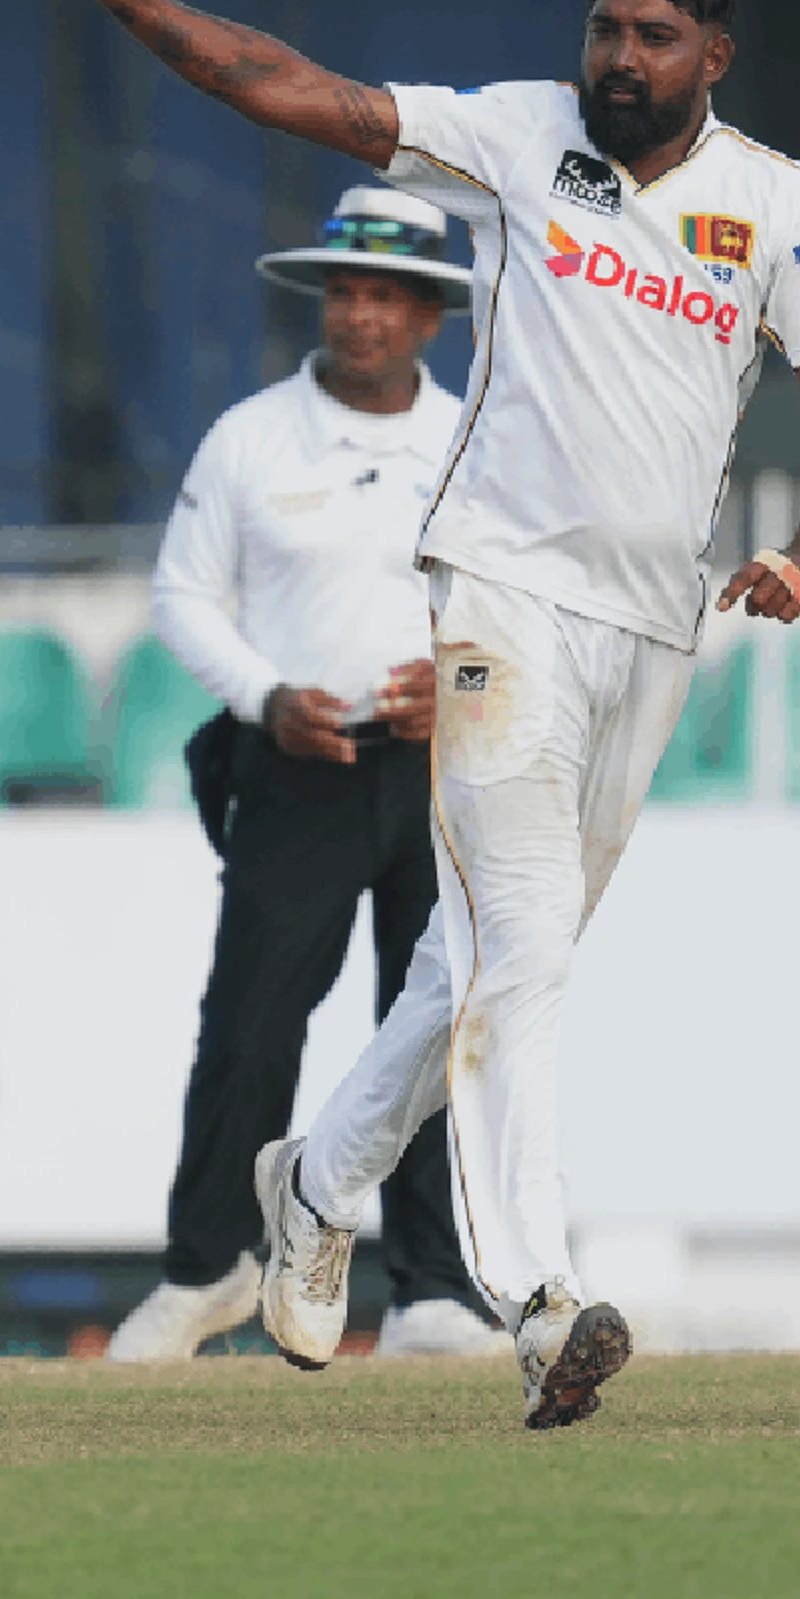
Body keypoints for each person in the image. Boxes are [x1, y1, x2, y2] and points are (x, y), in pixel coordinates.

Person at [9, 0, 800, 1428]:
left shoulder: (777, 203)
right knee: (524, 943)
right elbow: (285, 87)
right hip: (497, 596)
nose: (621, 58)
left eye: (655, 39)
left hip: (654, 628)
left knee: (477, 959)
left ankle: (319, 1181)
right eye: (606, 29)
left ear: (714, 58)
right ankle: (540, 1302)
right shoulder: (514, 134)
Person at [109, 184, 496, 1363]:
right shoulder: (252, 437)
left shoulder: (478, 435)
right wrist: (264, 699)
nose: (360, 317)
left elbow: (525, 600)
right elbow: (182, 594)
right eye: (344, 291)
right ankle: (211, 1266)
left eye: (387, 296)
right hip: (297, 760)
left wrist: (467, 676)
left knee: (433, 1025)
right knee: (252, 1021)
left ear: (432, 317)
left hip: (445, 767)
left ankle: (431, 1285)